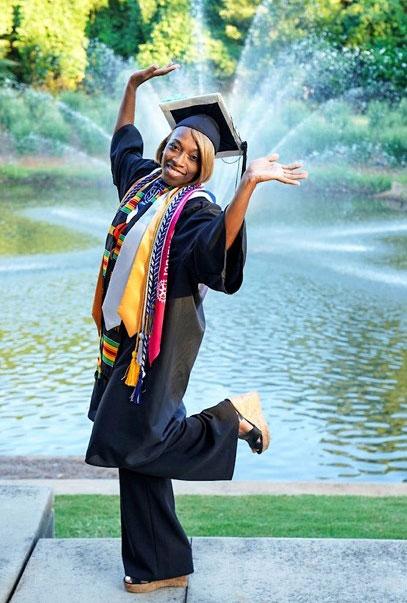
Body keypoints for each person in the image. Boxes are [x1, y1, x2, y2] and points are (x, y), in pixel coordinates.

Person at [84, 63, 307, 594]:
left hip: (166, 338)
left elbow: (215, 253)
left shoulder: (197, 209)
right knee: (132, 446)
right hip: (124, 337)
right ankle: (160, 564)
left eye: (192, 156)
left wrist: (249, 186)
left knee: (129, 438)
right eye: (175, 147)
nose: (178, 158)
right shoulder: (143, 185)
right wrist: (133, 88)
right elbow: (122, 142)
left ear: (205, 168)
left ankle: (235, 419)